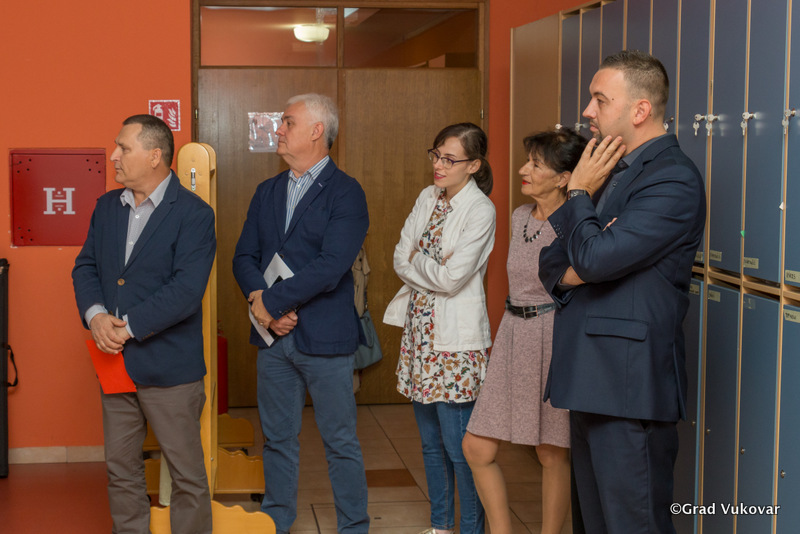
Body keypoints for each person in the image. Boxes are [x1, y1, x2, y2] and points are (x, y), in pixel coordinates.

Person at [538, 50, 706, 534]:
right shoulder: (612, 170)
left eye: (600, 99)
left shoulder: (673, 177)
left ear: (639, 110)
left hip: (627, 386)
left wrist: (577, 196)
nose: (587, 110)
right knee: (593, 524)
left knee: (633, 524)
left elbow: (592, 258)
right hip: (591, 378)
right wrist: (585, 258)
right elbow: (551, 261)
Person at [232, 93, 370, 534]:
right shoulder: (267, 191)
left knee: (340, 442)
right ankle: (277, 521)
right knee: (276, 439)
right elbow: (243, 257)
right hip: (273, 339)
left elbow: (331, 266)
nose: (279, 130)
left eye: (288, 122)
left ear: (316, 130)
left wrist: (272, 303)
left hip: (325, 338)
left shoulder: (346, 192)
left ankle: (354, 526)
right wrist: (261, 304)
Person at [72, 114, 216, 534]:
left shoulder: (194, 214)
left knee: (187, 475)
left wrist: (127, 327)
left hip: (170, 368)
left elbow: (186, 290)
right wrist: (96, 316)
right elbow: (86, 267)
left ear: (155, 156)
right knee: (121, 469)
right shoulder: (106, 207)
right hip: (113, 364)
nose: (113, 156)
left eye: (123, 148)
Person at [463, 128, 587, 534]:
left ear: (564, 178)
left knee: (551, 453)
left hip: (553, 337)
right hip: (512, 335)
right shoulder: (519, 217)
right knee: (476, 447)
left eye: (535, 164)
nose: (523, 170)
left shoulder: (578, 224)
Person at [384, 122, 495, 534]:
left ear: (474, 165)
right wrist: (423, 264)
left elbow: (453, 279)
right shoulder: (427, 196)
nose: (439, 165)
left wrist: (419, 261)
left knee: (459, 446)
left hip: (455, 345)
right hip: (420, 338)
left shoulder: (480, 210)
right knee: (431, 445)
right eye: (436, 155)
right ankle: (440, 526)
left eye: (450, 159)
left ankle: (471, 528)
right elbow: (399, 257)